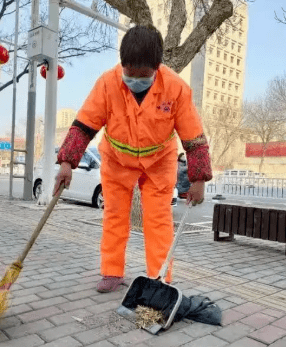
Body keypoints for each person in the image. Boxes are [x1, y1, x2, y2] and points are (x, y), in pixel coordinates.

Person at [53, 25, 212, 293]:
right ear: (122, 63)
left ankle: (159, 278)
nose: (136, 79)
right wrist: (67, 163)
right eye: (130, 73)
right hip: (116, 161)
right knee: (115, 216)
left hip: (159, 163)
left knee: (158, 220)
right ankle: (112, 272)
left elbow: (194, 137)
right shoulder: (107, 83)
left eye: (144, 75)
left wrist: (198, 180)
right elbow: (84, 125)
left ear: (157, 67)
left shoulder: (176, 88)